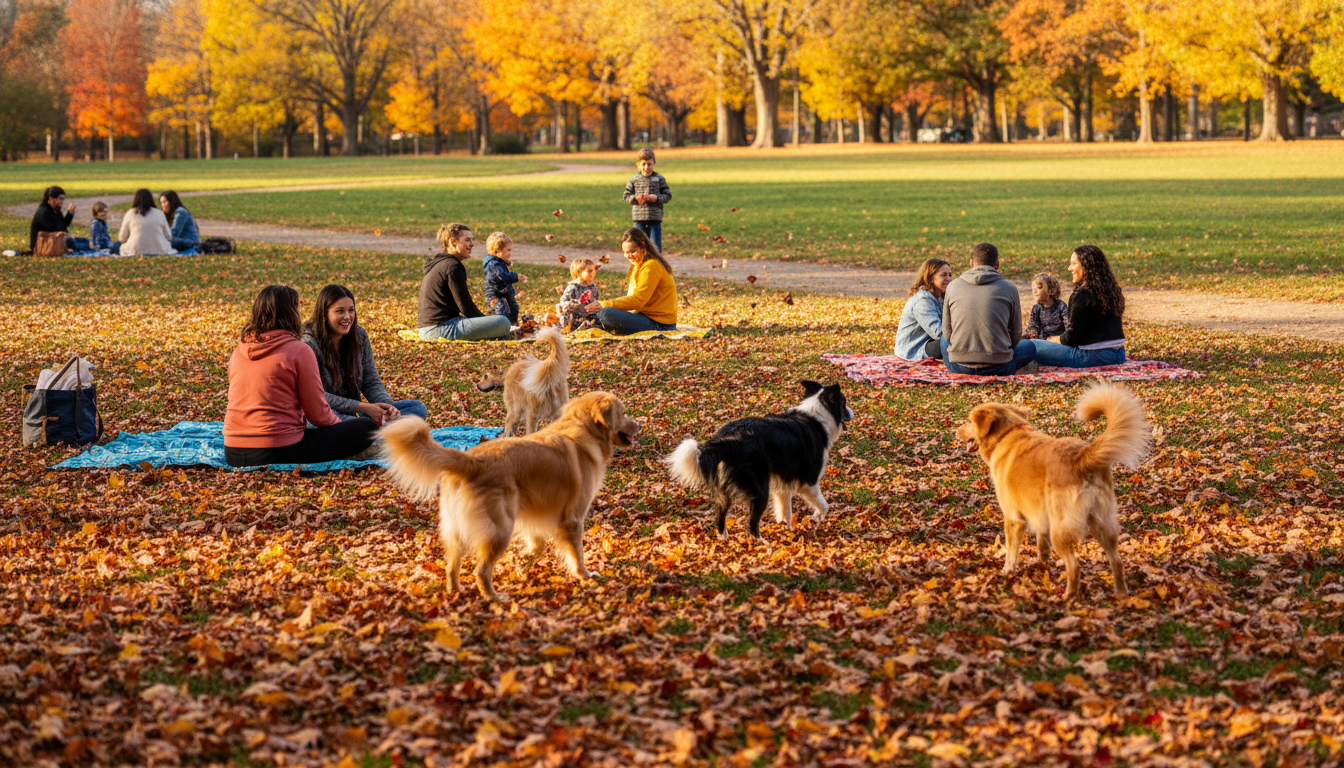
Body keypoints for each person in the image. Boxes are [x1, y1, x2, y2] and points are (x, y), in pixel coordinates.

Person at [223, 285, 381, 467]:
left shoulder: (238, 351)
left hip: (233, 451)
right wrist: (341, 428)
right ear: (290, 313)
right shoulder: (299, 350)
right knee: (366, 428)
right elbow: (318, 415)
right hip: (278, 449)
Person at [301, 283, 429, 424]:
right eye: (340, 311)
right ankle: (373, 430)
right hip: (324, 415)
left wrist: (388, 408)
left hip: (356, 416)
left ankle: (375, 429)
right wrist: (362, 407)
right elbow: (317, 396)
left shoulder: (359, 336)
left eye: (351, 310)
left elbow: (371, 381)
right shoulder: (308, 344)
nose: (347, 317)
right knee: (359, 426)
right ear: (324, 313)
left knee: (417, 408)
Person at [941, 242, 1037, 376]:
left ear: (971, 263)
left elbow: (947, 332)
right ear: (997, 264)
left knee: (943, 341)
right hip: (999, 367)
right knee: (1030, 346)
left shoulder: (953, 286)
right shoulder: (1009, 288)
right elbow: (1015, 336)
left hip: (959, 367)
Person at [1029, 245, 1128, 368]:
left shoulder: (1082, 294)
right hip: (1118, 354)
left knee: (1030, 346)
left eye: (1073, 264)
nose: (1069, 268)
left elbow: (1073, 338)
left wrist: (1053, 340)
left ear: (1086, 266)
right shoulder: (1111, 290)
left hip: (1092, 357)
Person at [417, 223, 513, 341]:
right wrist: (485, 322)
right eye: (467, 240)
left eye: (472, 240)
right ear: (453, 242)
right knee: (503, 322)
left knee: (496, 320)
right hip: (439, 329)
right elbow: (466, 307)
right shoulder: (452, 266)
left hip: (430, 328)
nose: (472, 244)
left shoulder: (441, 262)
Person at [584, 227, 678, 335]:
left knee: (606, 313)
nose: (629, 256)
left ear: (643, 247)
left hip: (660, 324)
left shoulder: (651, 266)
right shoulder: (638, 264)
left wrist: (606, 304)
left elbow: (638, 300)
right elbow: (632, 299)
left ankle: (595, 322)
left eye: (633, 251)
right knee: (596, 311)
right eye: (625, 252)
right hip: (643, 316)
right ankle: (590, 322)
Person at [894, 258, 951, 360]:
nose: (948, 278)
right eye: (944, 275)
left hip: (929, 342)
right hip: (912, 350)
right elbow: (938, 333)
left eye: (950, 275)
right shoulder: (923, 300)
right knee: (953, 343)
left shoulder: (939, 297)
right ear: (930, 278)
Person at [623, 147, 671, 253]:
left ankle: (657, 265)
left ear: (654, 163)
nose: (646, 167)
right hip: (638, 218)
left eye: (649, 164)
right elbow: (626, 195)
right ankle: (639, 266)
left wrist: (657, 197)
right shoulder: (634, 180)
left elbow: (667, 195)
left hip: (654, 218)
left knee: (655, 247)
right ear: (638, 164)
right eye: (643, 164)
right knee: (637, 246)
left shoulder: (659, 179)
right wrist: (635, 199)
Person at [482, 231, 527, 325]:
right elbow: (502, 276)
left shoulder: (498, 262)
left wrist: (507, 263)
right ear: (497, 251)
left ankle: (513, 324)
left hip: (504, 293)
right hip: (495, 294)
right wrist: (516, 277)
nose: (510, 253)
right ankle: (499, 326)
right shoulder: (493, 264)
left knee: (514, 307)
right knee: (502, 311)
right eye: (508, 250)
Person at [118, 188, 174, 256]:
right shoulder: (159, 213)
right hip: (160, 250)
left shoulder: (130, 213)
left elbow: (122, 238)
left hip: (135, 250)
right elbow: (168, 236)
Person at [557, 257, 600, 330]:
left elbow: (596, 298)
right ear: (579, 272)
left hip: (588, 314)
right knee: (567, 318)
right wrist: (572, 304)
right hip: (574, 316)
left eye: (594, 270)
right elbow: (563, 304)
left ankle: (590, 324)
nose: (593, 273)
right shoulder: (573, 287)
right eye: (589, 271)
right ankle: (574, 327)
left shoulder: (592, 287)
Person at [30, 185, 74, 251]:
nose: (62, 202)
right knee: (78, 244)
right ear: (51, 199)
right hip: (42, 246)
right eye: (60, 199)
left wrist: (70, 213)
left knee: (81, 241)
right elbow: (56, 229)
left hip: (52, 241)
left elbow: (63, 225)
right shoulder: (44, 212)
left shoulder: (55, 210)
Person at [1025, 272, 1067, 340]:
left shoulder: (1061, 306)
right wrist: (1031, 332)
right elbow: (1032, 326)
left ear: (1051, 290)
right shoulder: (1036, 308)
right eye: (1033, 289)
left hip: (1058, 342)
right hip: (1042, 343)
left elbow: (1068, 326)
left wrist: (1063, 339)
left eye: (1039, 287)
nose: (1034, 291)